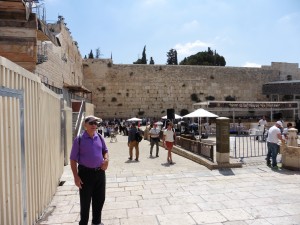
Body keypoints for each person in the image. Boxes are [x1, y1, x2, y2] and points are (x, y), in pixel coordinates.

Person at [70, 115, 109, 225]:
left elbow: (105, 151)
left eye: (95, 123)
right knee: (85, 202)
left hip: (100, 173)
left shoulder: (100, 137)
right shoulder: (79, 140)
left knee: (100, 199)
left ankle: (96, 222)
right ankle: (83, 223)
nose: (94, 125)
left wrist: (106, 159)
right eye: (91, 123)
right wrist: (76, 177)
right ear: (85, 125)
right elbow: (73, 159)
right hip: (85, 174)